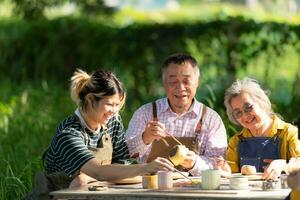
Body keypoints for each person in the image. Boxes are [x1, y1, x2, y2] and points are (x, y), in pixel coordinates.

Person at [27, 69, 174, 199]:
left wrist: (89, 180)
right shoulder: (69, 134)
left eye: (117, 105)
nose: (115, 111)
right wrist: (146, 168)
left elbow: (121, 167)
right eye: (110, 104)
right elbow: (98, 171)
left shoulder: (113, 123)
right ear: (90, 100)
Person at [125, 53, 227, 176]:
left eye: (186, 81)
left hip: (194, 190)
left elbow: (218, 164)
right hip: (151, 189)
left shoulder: (211, 119)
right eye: (173, 81)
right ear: (164, 83)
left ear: (197, 82)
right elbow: (125, 155)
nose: (180, 87)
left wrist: (194, 163)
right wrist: (145, 137)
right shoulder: (145, 113)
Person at [217, 77, 300, 180]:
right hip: (247, 195)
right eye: (238, 112)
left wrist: (283, 164)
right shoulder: (236, 141)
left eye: (248, 107)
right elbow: (231, 174)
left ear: (261, 102)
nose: (245, 116)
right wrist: (225, 171)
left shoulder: (290, 133)